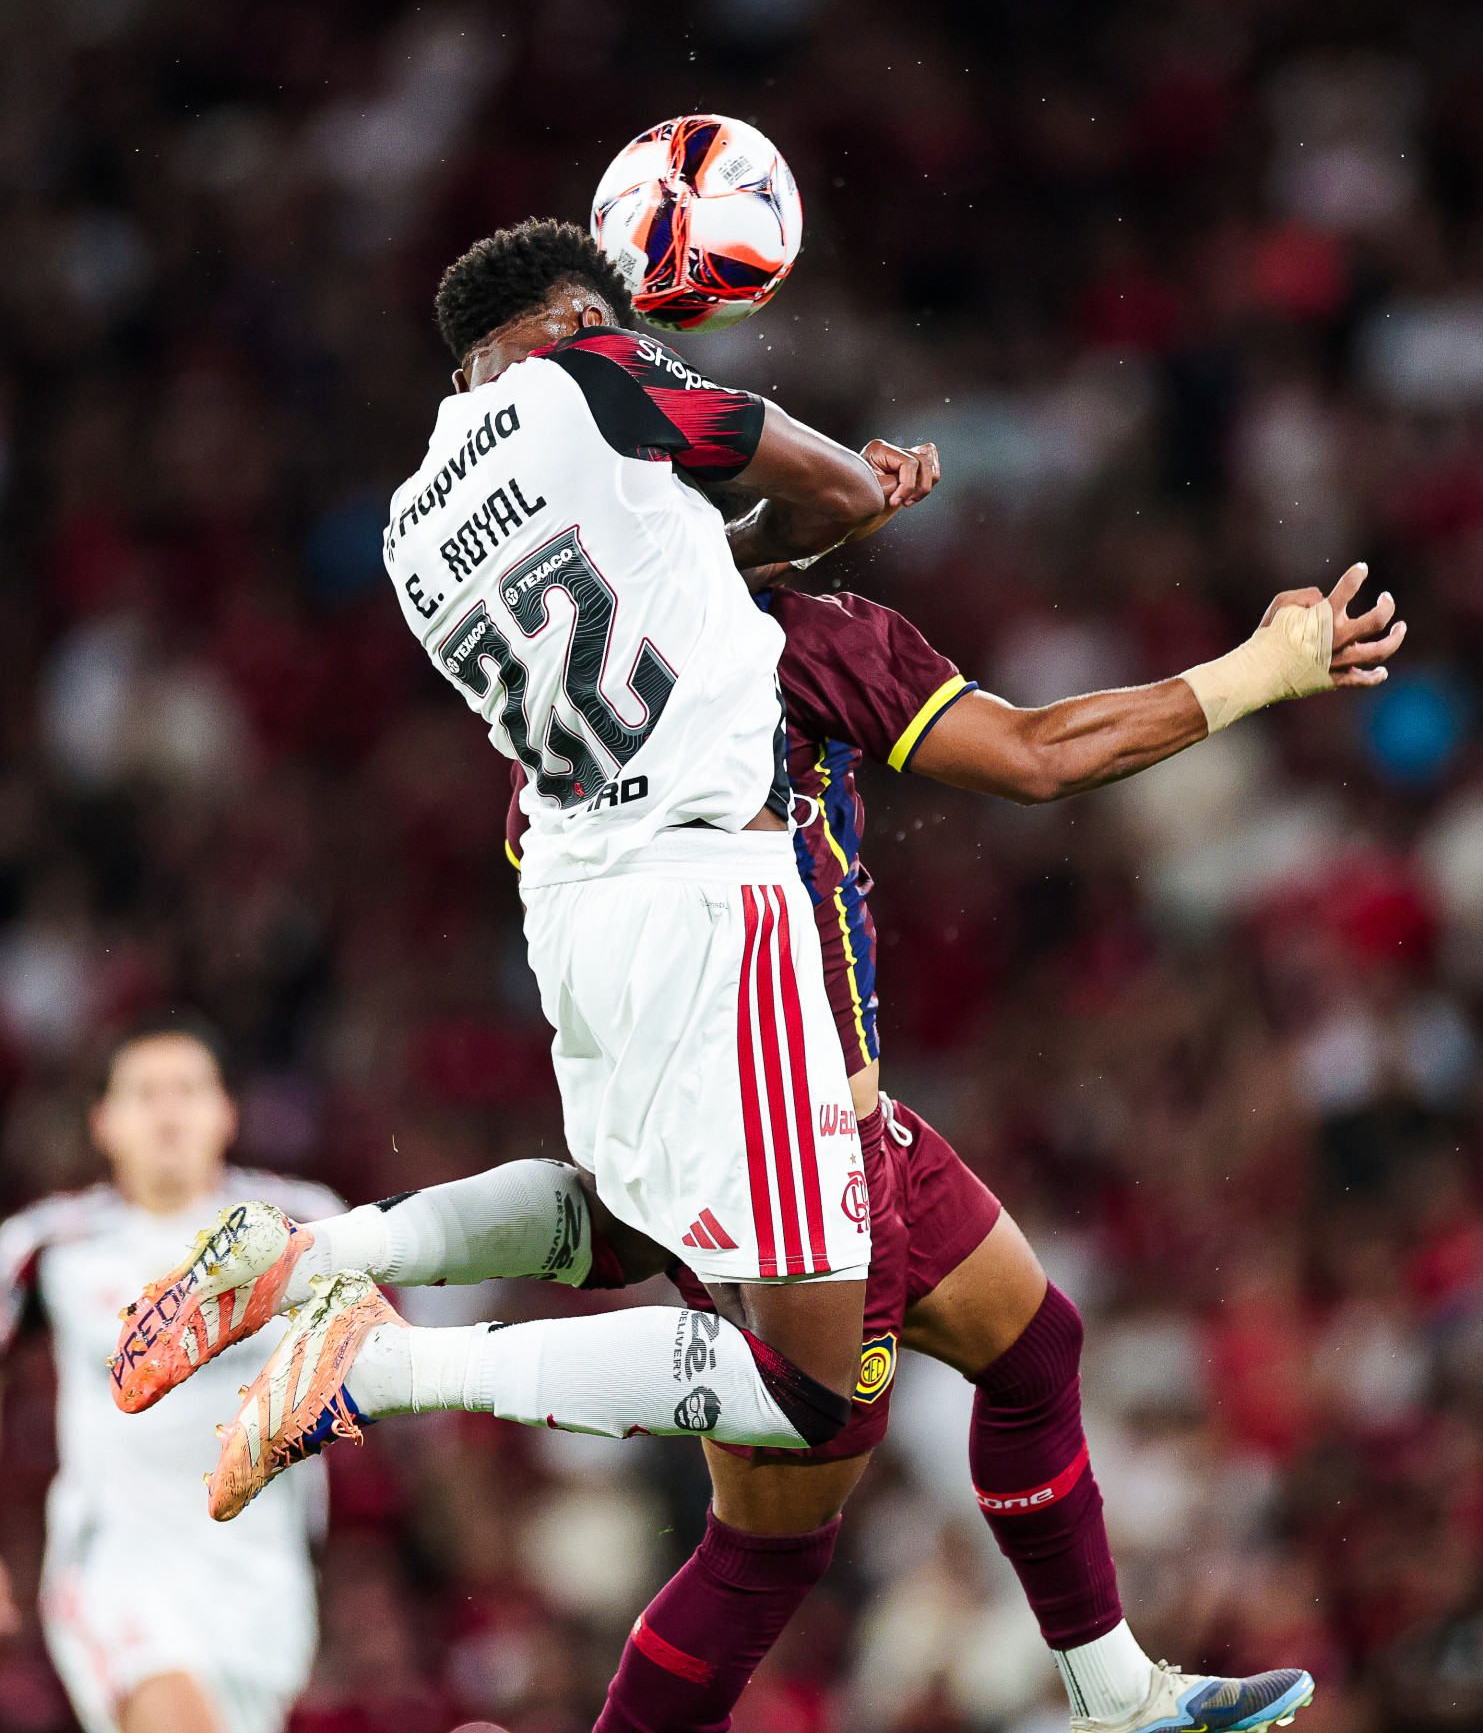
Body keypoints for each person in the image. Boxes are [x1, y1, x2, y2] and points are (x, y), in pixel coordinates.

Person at [112, 549, 1399, 1733]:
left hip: (689, 1067)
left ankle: (1114, 1690)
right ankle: (381, 1363)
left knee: (1027, 1345)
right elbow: (1039, 755)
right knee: (773, 1519)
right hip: (790, 1120)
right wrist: (1257, 672)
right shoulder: (794, 638)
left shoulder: (564, 704)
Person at [111, 217, 938, 1510]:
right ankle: (377, 1369)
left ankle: (314, 1250)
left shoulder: (411, 522)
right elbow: (826, 490)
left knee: (621, 1223)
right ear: (568, 320)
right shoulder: (598, 372)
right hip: (710, 894)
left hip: (572, 905)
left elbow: (675, 581)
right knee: (806, 1388)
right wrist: (871, 487)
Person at [0, 1015, 337, 1733]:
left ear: (226, 1111)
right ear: (103, 1120)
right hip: (120, 1566)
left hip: (261, 1578)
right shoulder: (48, 1246)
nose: (167, 1111)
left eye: (187, 1089)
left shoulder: (308, 1226)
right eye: (143, 1092)